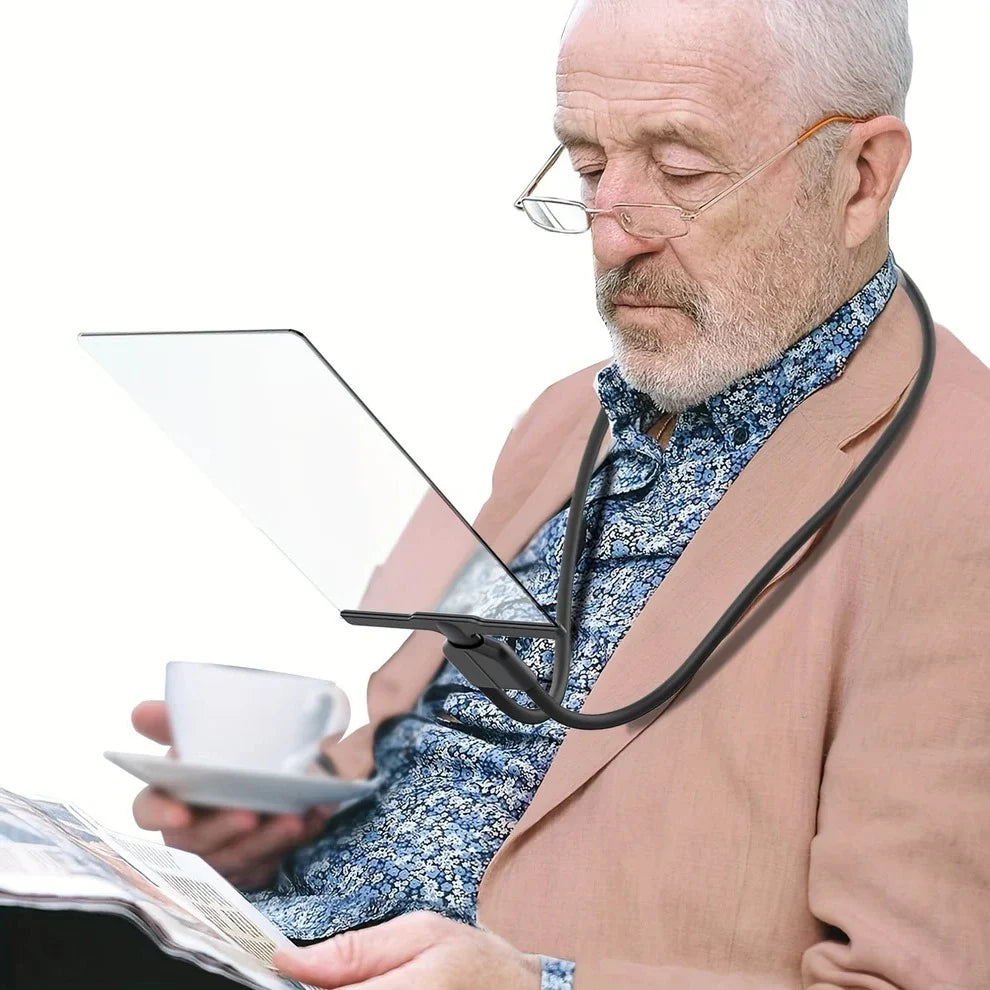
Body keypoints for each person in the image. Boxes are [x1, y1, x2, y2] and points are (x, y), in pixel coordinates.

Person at [129, 0, 990, 987]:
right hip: (263, 939)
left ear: (860, 178)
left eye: (679, 174)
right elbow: (445, 751)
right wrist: (268, 825)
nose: (611, 238)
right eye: (588, 168)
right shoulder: (560, 421)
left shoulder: (965, 492)